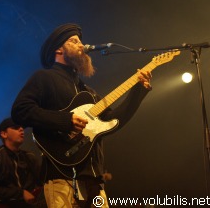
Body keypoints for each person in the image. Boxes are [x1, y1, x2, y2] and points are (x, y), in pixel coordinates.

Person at [11, 23, 152, 208]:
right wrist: (65, 121)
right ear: (58, 49)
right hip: (61, 177)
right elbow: (20, 111)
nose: (81, 45)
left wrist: (138, 92)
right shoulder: (44, 78)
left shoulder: (88, 92)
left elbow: (113, 121)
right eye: (73, 41)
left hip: (94, 180)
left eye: (81, 41)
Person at [0, 117, 42, 208]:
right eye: (15, 127)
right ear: (4, 134)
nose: (21, 129)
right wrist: (21, 194)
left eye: (22, 127)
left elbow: (42, 182)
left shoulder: (30, 157)